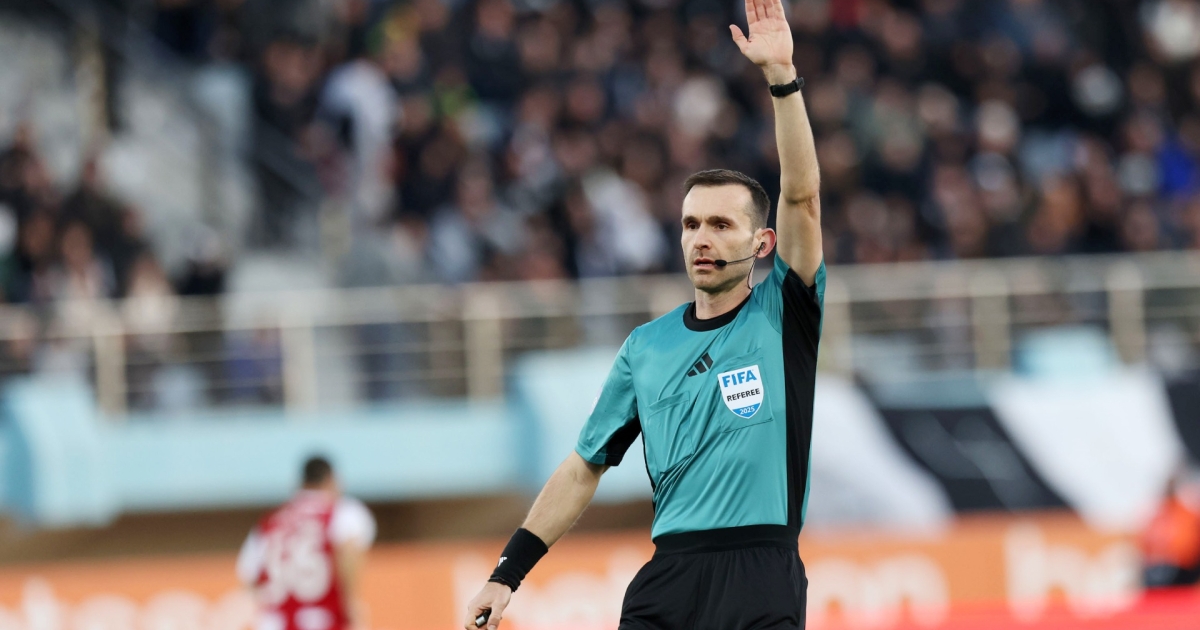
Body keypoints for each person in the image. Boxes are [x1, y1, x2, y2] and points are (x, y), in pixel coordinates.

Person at [463, 0, 825, 625]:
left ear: (763, 243)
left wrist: (782, 79)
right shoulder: (646, 347)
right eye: (691, 224)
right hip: (669, 578)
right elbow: (584, 466)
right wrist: (506, 575)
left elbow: (802, 196)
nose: (701, 239)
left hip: (761, 574)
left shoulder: (783, 314)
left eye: (721, 224)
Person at [237, 456, 377, 630]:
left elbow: (249, 576)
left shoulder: (269, 522)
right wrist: (351, 601)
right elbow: (349, 549)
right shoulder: (343, 511)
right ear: (331, 479)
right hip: (324, 620)